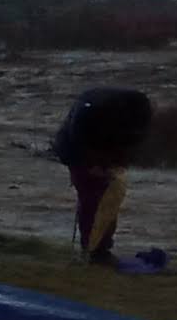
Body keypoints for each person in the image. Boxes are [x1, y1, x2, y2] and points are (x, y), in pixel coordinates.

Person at [50, 85, 153, 265]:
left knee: (110, 197)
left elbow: (133, 139)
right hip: (76, 152)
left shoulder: (138, 111)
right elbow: (76, 139)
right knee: (93, 198)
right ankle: (94, 250)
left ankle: (99, 247)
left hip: (99, 148)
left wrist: (118, 160)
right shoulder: (91, 111)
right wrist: (91, 165)